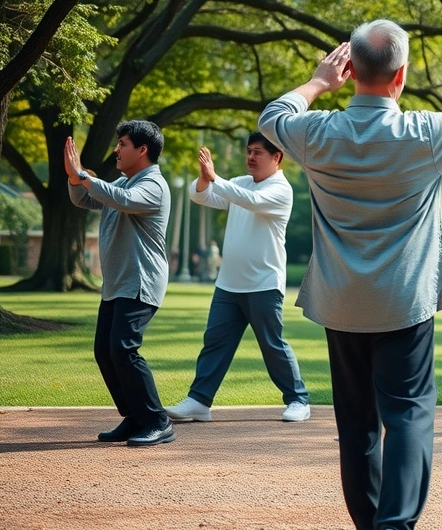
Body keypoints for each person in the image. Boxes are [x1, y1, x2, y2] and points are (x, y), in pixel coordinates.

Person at [258, 5, 442, 530]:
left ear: (352, 70)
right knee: (410, 413)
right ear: (401, 76)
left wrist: (318, 82)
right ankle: (394, 526)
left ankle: (371, 525)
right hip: (403, 302)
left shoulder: (315, 134)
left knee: (356, 425)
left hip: (340, 303)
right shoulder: (424, 134)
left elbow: (272, 118)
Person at [164, 134, 311, 425]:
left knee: (272, 345)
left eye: (257, 152)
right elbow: (200, 195)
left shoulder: (281, 189)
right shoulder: (241, 183)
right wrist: (206, 180)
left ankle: (298, 400)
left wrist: (216, 178)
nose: (250, 158)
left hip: (264, 284)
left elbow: (252, 201)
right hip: (228, 284)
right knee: (215, 343)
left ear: (276, 157)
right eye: (248, 152)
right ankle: (199, 401)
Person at [65, 121, 173, 447]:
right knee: (105, 351)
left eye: (123, 144)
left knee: (122, 349)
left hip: (140, 282)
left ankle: (157, 421)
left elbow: (123, 199)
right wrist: (76, 178)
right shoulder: (122, 183)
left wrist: (86, 177)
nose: (116, 149)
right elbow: (84, 200)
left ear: (142, 149)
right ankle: (135, 417)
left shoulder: (152, 185)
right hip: (116, 284)